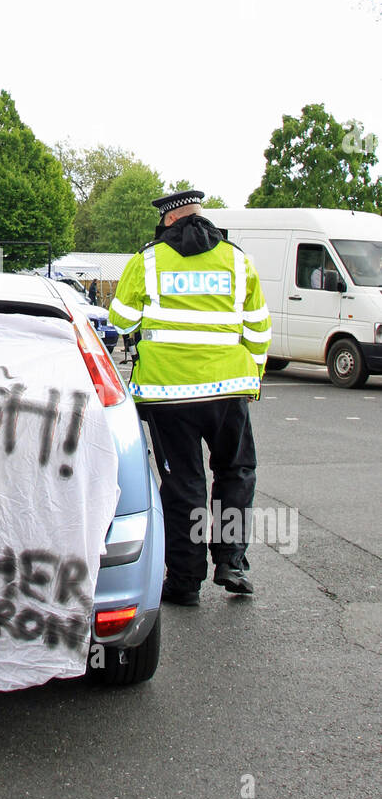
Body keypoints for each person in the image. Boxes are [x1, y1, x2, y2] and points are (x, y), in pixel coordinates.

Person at [109, 190, 272, 605]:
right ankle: (232, 562)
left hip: (169, 393)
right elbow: (258, 327)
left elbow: (120, 318)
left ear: (167, 221)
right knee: (235, 474)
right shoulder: (237, 260)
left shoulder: (147, 261)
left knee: (183, 485)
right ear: (202, 217)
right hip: (228, 389)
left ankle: (185, 581)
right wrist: (253, 376)